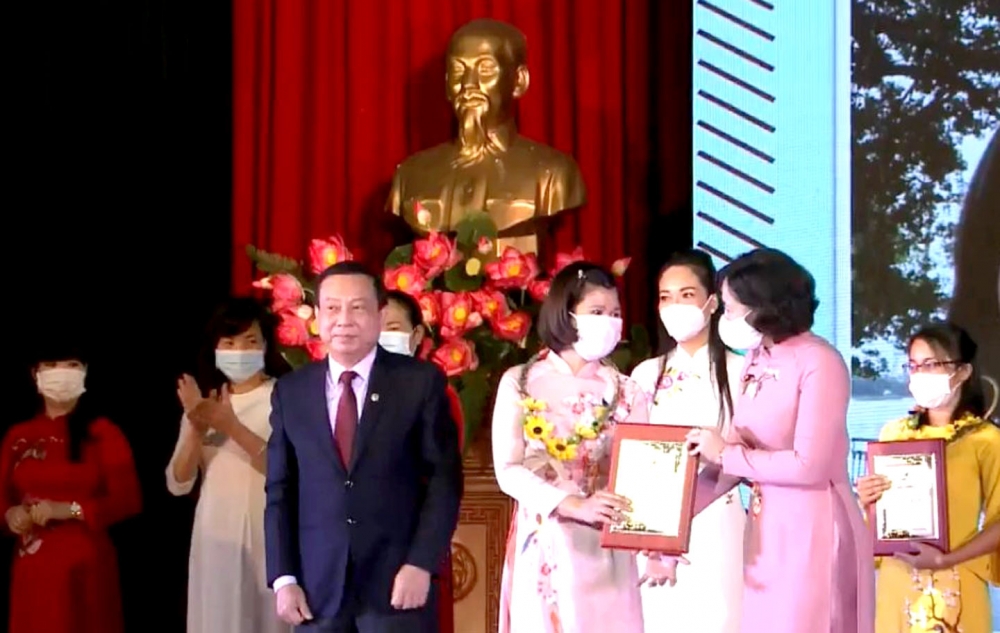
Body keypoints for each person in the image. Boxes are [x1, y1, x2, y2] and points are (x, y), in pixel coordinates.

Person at [265, 261, 463, 633]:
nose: (344, 320)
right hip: (316, 592)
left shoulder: (418, 382)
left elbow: (444, 481)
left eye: (357, 307)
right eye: (332, 308)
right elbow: (280, 490)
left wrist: (421, 562)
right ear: (317, 316)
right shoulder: (291, 391)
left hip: (397, 586)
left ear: (379, 314)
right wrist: (284, 577)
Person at [685, 248, 874, 633]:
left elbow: (809, 465)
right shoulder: (757, 357)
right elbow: (736, 454)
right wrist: (670, 521)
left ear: (763, 305)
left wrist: (725, 453)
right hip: (766, 532)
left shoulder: (819, 360)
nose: (724, 318)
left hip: (813, 528)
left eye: (730, 308)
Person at [493, 261, 674, 633]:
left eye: (615, 314)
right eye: (597, 312)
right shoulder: (521, 382)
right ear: (566, 313)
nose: (609, 321)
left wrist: (659, 546)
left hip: (607, 545)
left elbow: (644, 475)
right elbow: (508, 470)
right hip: (545, 537)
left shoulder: (626, 390)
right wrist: (571, 503)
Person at [629, 250, 745, 633]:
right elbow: (635, 460)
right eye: (666, 297)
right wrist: (654, 538)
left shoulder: (743, 372)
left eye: (687, 295)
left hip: (718, 521)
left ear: (712, 302)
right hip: (656, 528)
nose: (674, 306)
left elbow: (750, 453)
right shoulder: (646, 375)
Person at [856, 323, 999, 633]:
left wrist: (946, 560)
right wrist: (867, 500)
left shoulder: (986, 440)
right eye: (913, 365)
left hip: (958, 582)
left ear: (962, 372)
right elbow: (877, 527)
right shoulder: (894, 433)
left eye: (931, 364)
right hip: (898, 583)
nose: (919, 373)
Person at [166, 297, 291, 633]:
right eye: (230, 343)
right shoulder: (205, 403)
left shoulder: (284, 397)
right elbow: (178, 482)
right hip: (216, 537)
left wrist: (231, 426)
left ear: (266, 346)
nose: (240, 351)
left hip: (268, 535)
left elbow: (285, 471)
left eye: (250, 341)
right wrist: (196, 428)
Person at [0, 341, 142, 633]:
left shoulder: (103, 433)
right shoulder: (18, 437)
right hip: (32, 570)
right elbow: (3, 499)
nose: (61, 372)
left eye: (71, 365)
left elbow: (128, 499)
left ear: (85, 371)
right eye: (51, 365)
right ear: (35, 373)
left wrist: (69, 510)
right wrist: (11, 514)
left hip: (85, 570)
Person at [379, 289, 467, 633]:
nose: (383, 336)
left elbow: (443, 480)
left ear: (416, 336)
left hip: (414, 545)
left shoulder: (435, 392)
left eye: (393, 327)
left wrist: (421, 558)